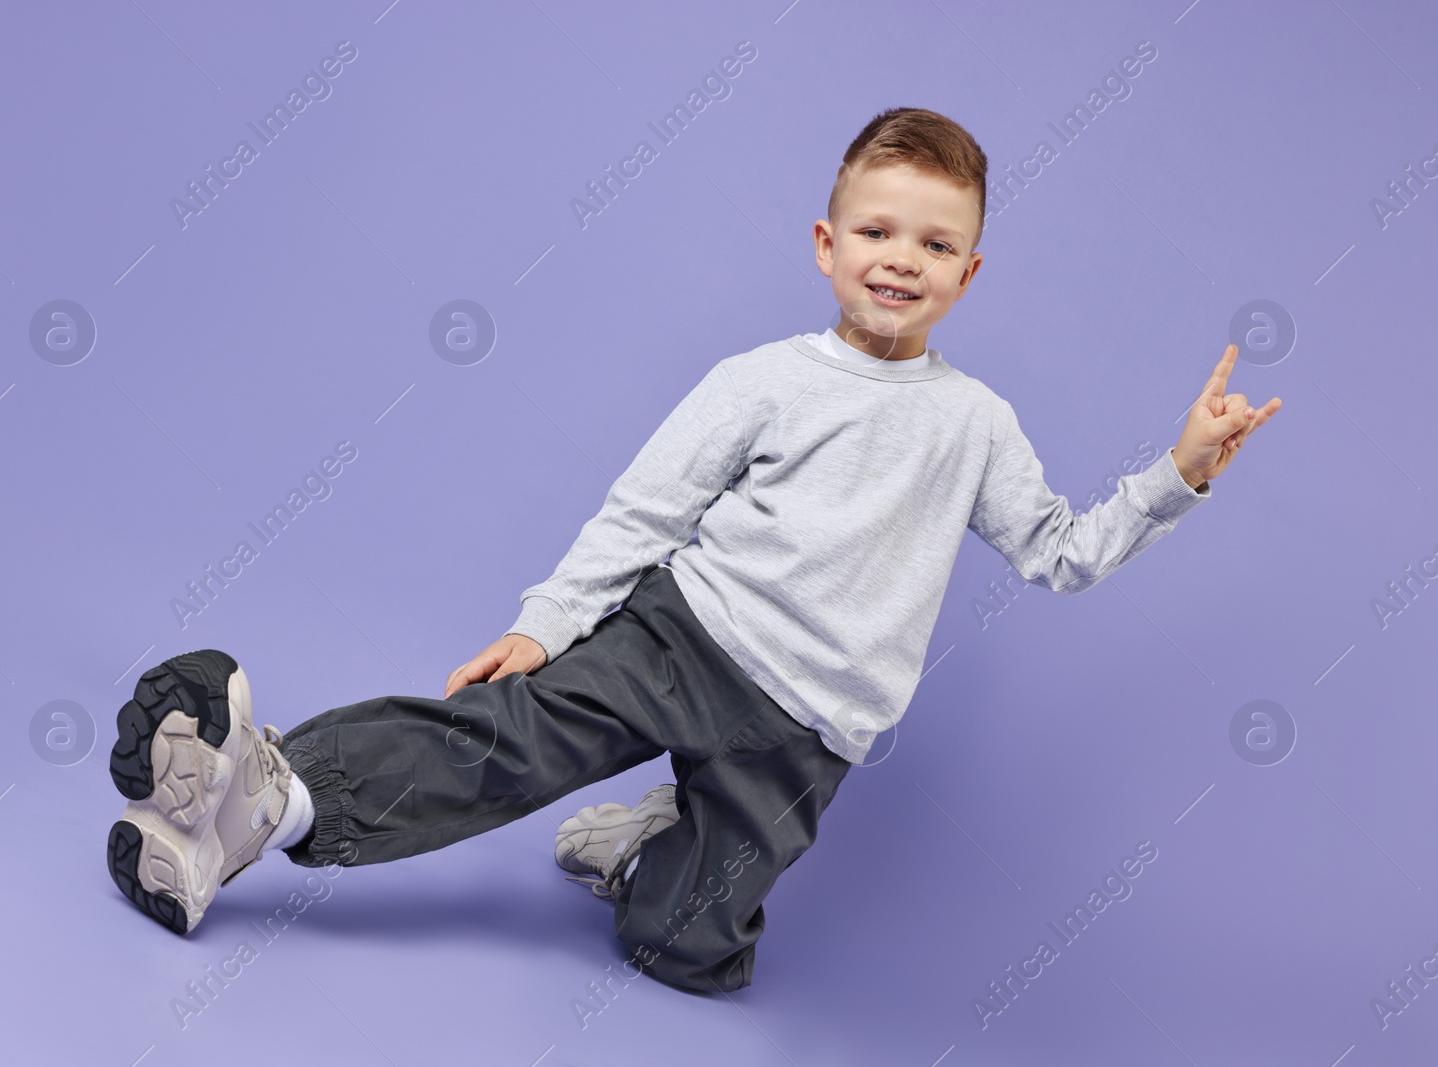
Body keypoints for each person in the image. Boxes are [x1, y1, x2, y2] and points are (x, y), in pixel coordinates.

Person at [105, 107, 1282, 994]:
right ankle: (273, 791)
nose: (900, 257)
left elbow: (1059, 553)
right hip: (684, 638)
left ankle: (649, 846)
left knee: (688, 949)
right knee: (509, 737)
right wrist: (549, 622)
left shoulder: (974, 420)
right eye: (876, 229)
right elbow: (643, 510)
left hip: (810, 728)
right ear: (826, 243)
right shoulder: (762, 380)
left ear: (967, 275)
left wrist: (1173, 477)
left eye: (934, 243)